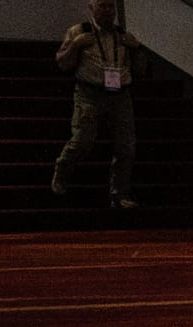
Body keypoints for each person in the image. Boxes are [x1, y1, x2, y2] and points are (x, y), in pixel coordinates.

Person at [51, 0, 141, 208]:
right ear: (92, 8)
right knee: (82, 140)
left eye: (111, 7)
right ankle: (62, 171)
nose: (109, 11)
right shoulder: (78, 32)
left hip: (120, 96)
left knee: (126, 146)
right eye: (103, 6)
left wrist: (136, 49)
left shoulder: (123, 35)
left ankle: (119, 193)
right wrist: (76, 45)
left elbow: (139, 68)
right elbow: (62, 64)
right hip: (89, 93)